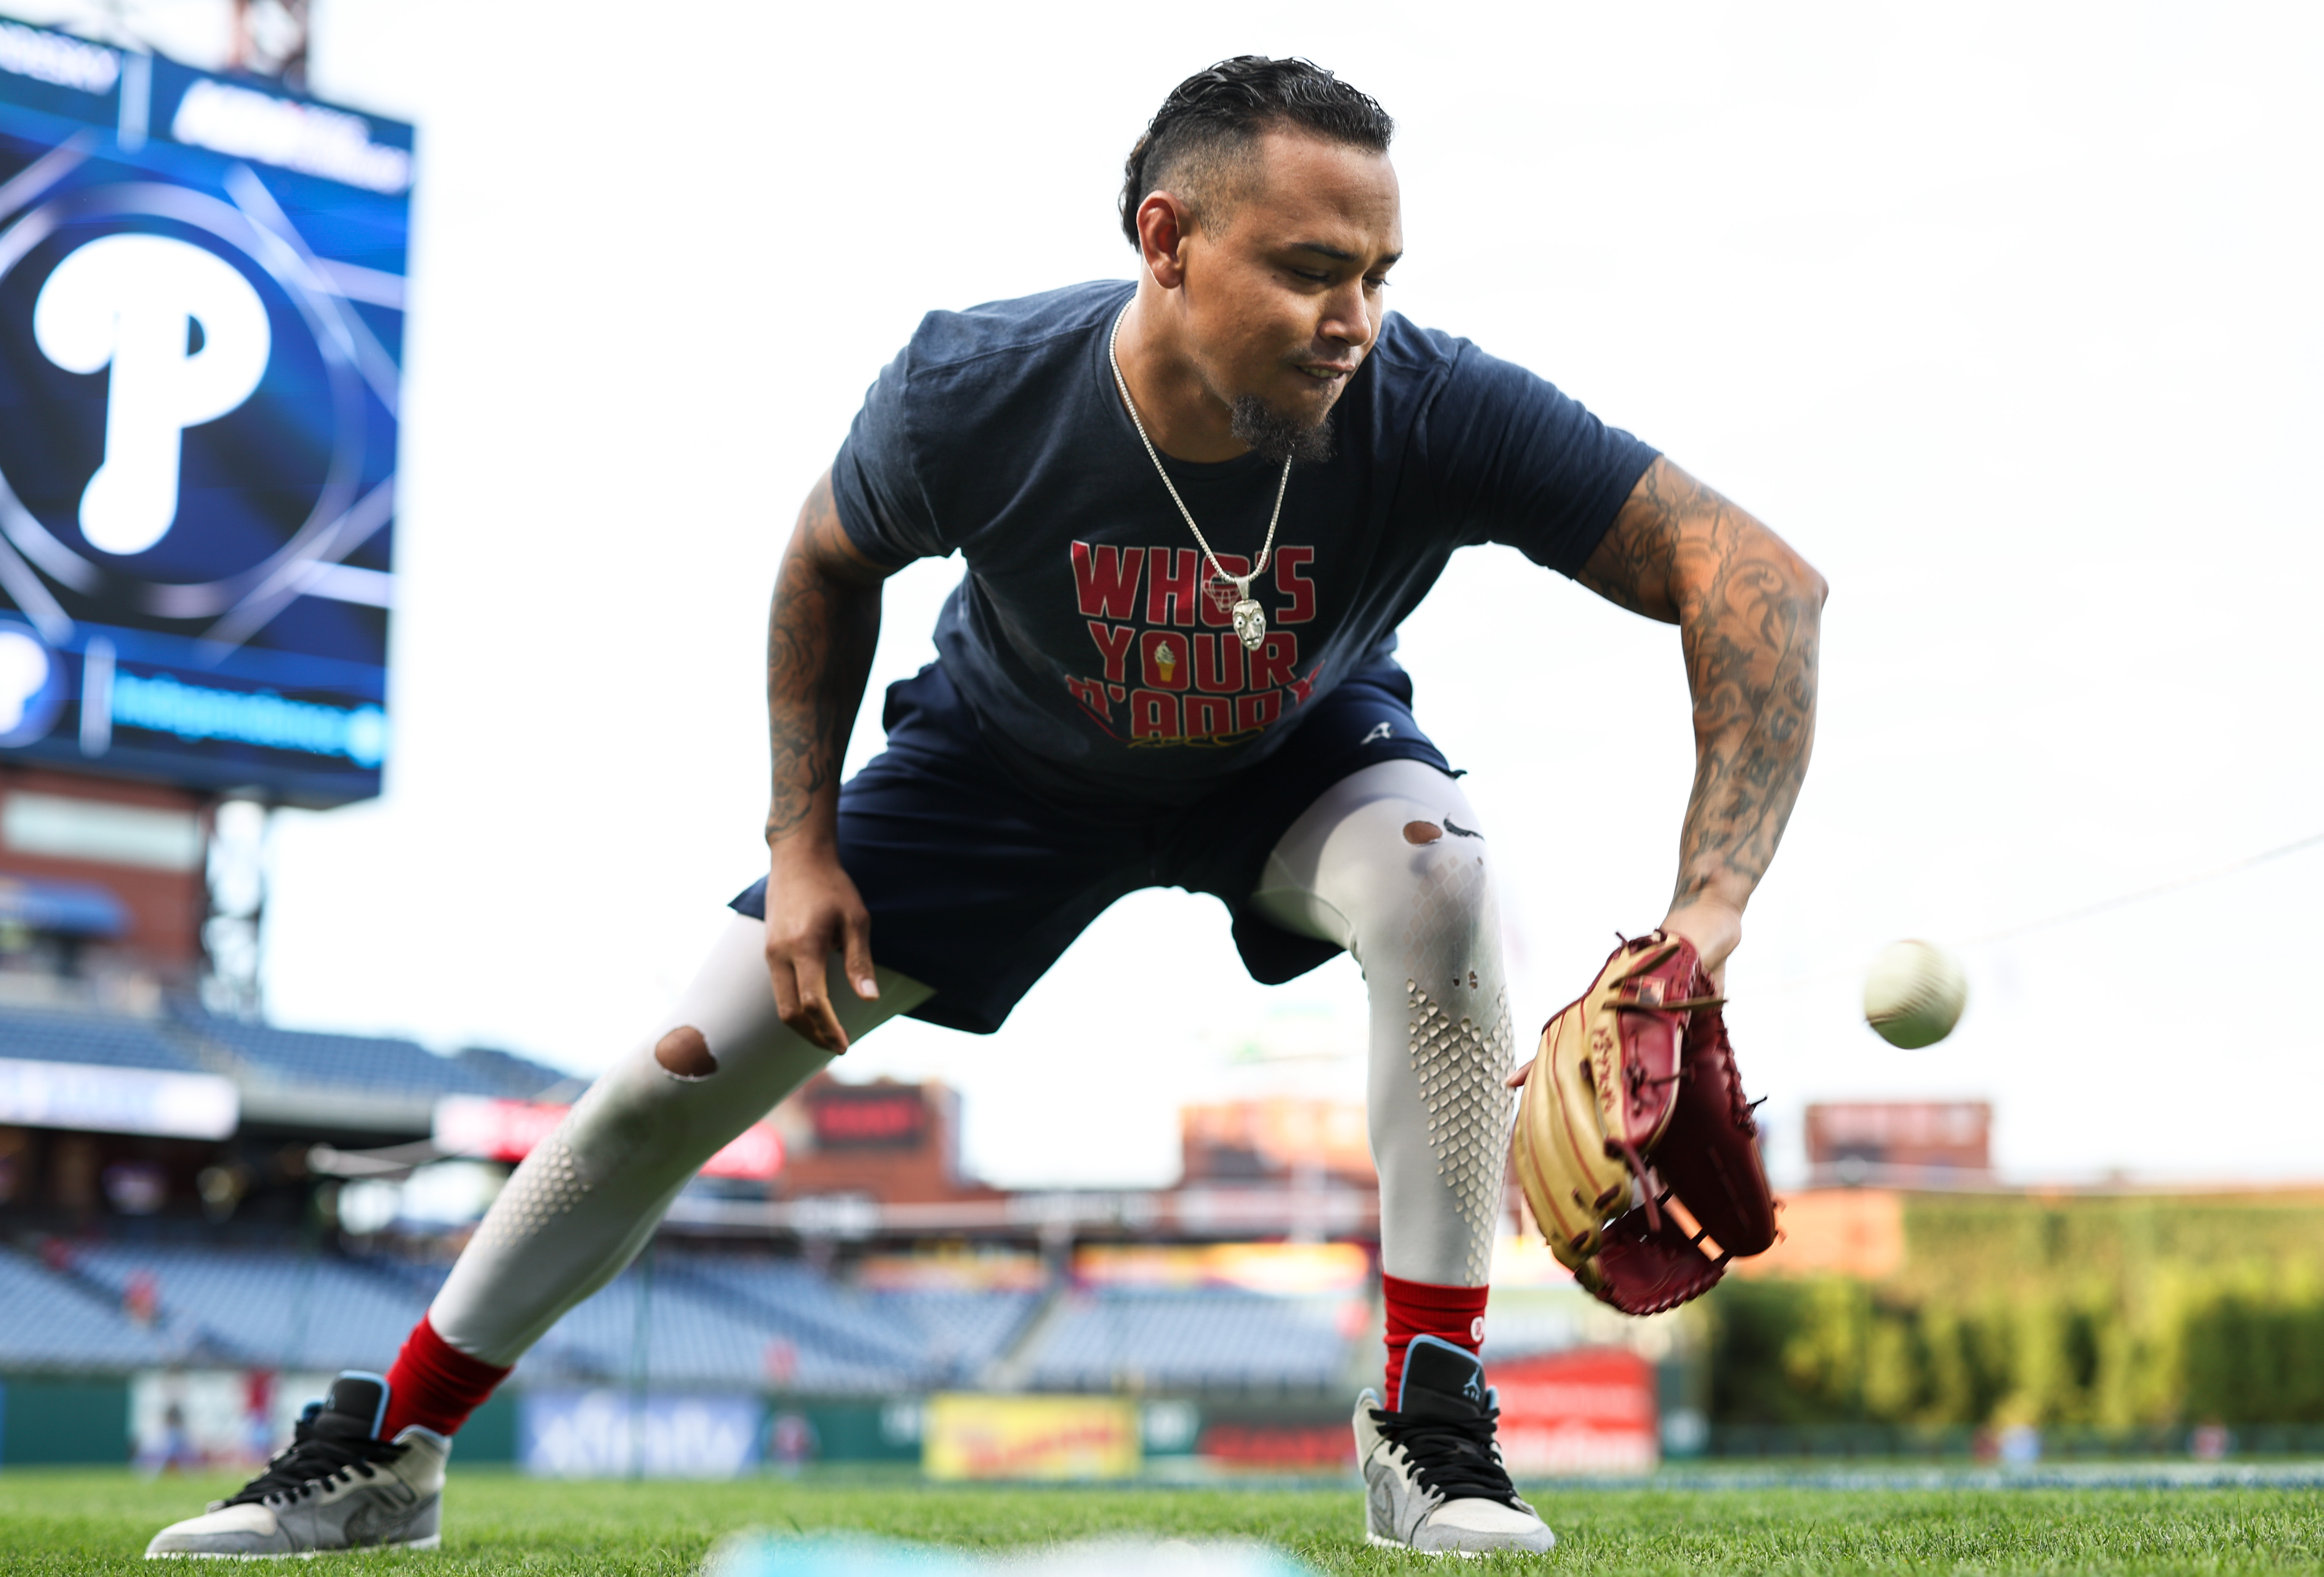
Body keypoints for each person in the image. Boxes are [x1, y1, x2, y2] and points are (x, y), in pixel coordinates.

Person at [147, 56, 1824, 1558]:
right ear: (1164, 242)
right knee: (678, 1069)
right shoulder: (979, 385)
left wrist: (1707, 915)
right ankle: (393, 1449)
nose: (1354, 319)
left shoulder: (1430, 406)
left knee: (1440, 878)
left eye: (1378, 274)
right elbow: (824, 560)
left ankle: (1429, 1431)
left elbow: (1749, 577)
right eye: (1311, 270)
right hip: (998, 768)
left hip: (1296, 761)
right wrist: (798, 848)